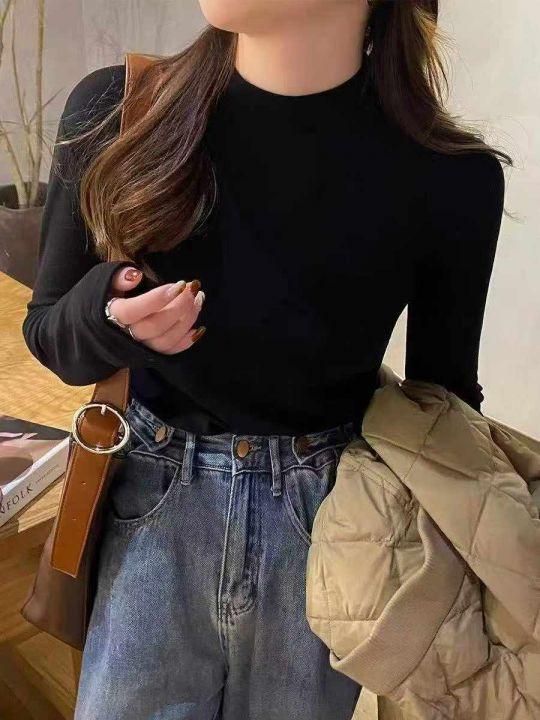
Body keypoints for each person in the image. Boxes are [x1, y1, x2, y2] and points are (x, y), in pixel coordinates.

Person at [22, 1, 509, 718]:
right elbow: (48, 330)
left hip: (331, 527)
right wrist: (111, 315)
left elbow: (444, 405)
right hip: (149, 503)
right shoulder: (119, 112)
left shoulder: (452, 176)